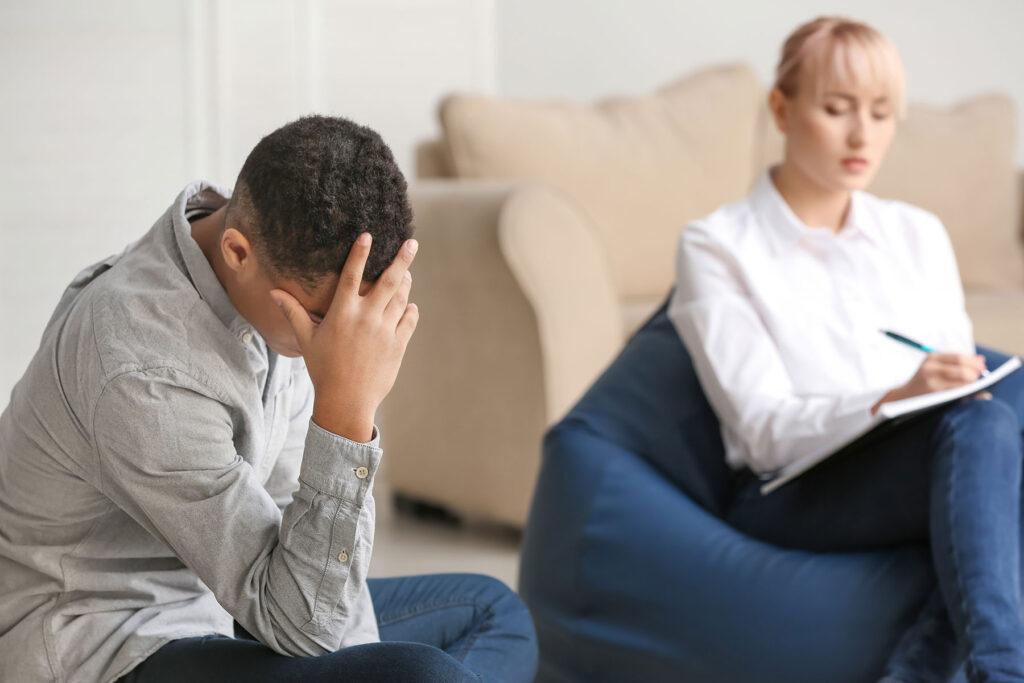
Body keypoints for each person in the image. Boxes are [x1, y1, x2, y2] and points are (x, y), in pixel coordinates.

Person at [0, 115, 537, 682]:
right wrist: (349, 408)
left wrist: (359, 663)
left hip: (226, 600)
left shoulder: (273, 263)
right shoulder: (143, 369)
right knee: (427, 677)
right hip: (107, 642)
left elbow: (298, 559)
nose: (344, 339)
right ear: (237, 253)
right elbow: (299, 626)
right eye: (323, 317)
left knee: (491, 611)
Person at [669, 17, 1024, 683]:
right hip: (793, 486)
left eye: (882, 113)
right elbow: (765, 431)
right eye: (836, 109)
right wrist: (892, 396)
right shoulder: (718, 245)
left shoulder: (917, 233)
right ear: (781, 107)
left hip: (925, 454)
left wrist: (946, 386)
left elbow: (962, 393)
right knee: (986, 430)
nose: (863, 135)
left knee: (1002, 407)